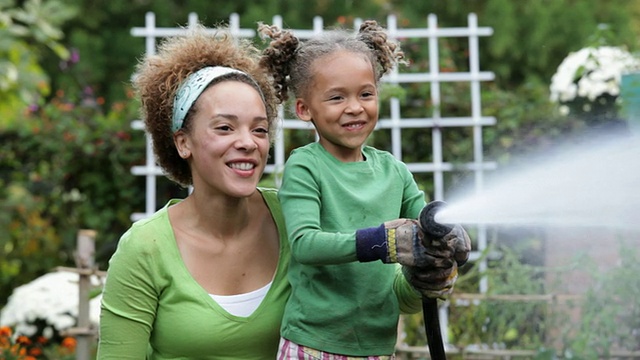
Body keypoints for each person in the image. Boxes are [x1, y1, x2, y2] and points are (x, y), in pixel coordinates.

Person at [259, 20, 471, 358]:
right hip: (314, 345)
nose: (355, 107)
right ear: (304, 109)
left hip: (377, 345)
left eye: (366, 94)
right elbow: (305, 245)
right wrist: (382, 241)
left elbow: (424, 224)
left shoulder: (393, 171)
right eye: (336, 97)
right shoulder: (306, 166)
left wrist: (448, 238)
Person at [97, 24, 289, 359]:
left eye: (259, 129)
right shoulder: (144, 248)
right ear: (183, 142)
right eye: (225, 128)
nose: (247, 142)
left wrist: (410, 272)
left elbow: (376, 296)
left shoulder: (294, 218)